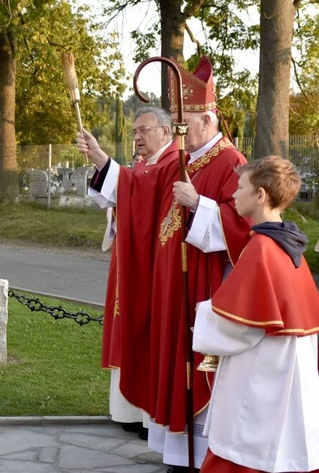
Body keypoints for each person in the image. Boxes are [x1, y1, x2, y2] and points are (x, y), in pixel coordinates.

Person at [77, 56, 252, 472]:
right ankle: (179, 453)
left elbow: (244, 227)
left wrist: (203, 207)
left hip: (206, 290)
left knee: (198, 369)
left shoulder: (232, 162)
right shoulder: (185, 159)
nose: (177, 132)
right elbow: (138, 186)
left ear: (208, 119)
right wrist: (103, 159)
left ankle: (204, 454)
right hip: (174, 288)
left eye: (182, 123)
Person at [193, 156, 319, 472]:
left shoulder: (262, 247)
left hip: (264, 371)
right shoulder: (291, 244)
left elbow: (240, 328)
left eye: (240, 187)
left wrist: (202, 313)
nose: (234, 195)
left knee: (247, 451)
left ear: (260, 195)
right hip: (287, 367)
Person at [90, 107, 176, 438]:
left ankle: (147, 417)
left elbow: (137, 192)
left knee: (145, 330)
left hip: (153, 265)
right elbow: (129, 191)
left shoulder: (171, 165)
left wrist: (101, 158)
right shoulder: (145, 164)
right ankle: (127, 411)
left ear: (166, 132)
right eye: (135, 131)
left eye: (144, 130)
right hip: (132, 259)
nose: (137, 137)